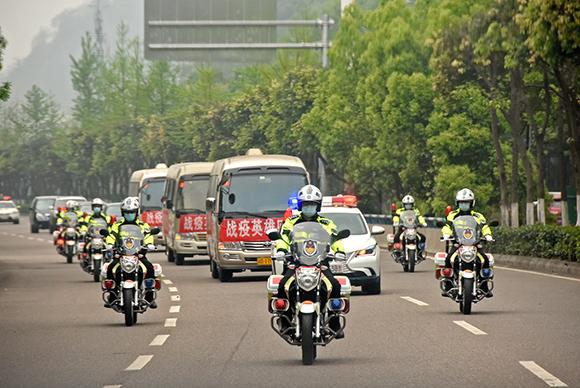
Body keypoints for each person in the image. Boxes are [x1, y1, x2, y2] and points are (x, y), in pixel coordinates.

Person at [274, 184, 346, 338]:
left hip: (321, 262)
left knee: (334, 286)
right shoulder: (291, 222)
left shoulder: (326, 223)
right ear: (301, 205)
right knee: (282, 285)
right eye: (306, 205)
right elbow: (283, 238)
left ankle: (334, 323)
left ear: (317, 206)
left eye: (312, 205)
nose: (309, 208)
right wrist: (281, 250)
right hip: (296, 261)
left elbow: (335, 238)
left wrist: (339, 251)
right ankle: (284, 321)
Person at [104, 197, 157, 308]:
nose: (129, 215)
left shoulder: (143, 226)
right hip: (121, 255)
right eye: (127, 213)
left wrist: (149, 245)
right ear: (123, 213)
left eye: (132, 212)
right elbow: (111, 236)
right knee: (110, 268)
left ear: (136, 212)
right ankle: (112, 295)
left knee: (150, 268)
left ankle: (149, 296)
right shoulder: (117, 226)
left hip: (139, 255)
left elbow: (148, 236)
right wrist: (109, 244)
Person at [441, 188, 494, 297]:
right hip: (458, 243)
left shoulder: (478, 216)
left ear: (472, 203)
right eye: (462, 203)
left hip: (474, 243)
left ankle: (484, 286)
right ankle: (448, 285)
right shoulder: (452, 215)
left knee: (485, 260)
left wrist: (488, 235)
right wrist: (446, 234)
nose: (464, 205)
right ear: (457, 203)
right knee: (449, 259)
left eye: (466, 203)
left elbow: (484, 227)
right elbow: (447, 226)